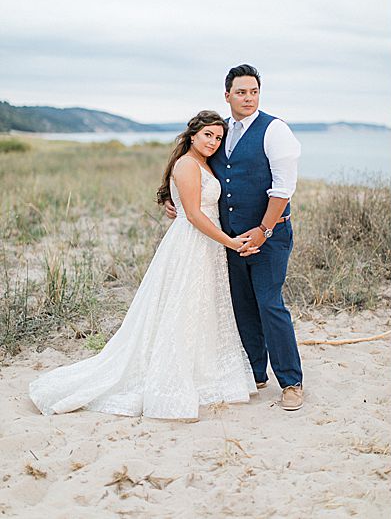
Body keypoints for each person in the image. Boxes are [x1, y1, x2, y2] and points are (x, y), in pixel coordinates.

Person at [29, 111, 260, 419]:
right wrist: (230, 242)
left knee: (201, 306)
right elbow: (193, 214)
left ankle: (201, 370)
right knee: (181, 305)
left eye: (218, 137)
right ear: (193, 135)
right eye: (208, 135)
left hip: (208, 243)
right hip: (192, 241)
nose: (213, 142)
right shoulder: (187, 164)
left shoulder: (205, 163)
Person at [202, 64, 305, 411]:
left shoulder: (275, 130)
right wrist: (174, 201)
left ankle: (291, 382)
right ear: (227, 95)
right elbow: (197, 170)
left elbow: (283, 189)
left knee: (269, 303)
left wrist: (263, 231)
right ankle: (256, 373)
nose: (248, 98)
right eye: (241, 92)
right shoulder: (219, 132)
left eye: (254, 92)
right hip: (229, 238)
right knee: (242, 304)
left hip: (270, 236)